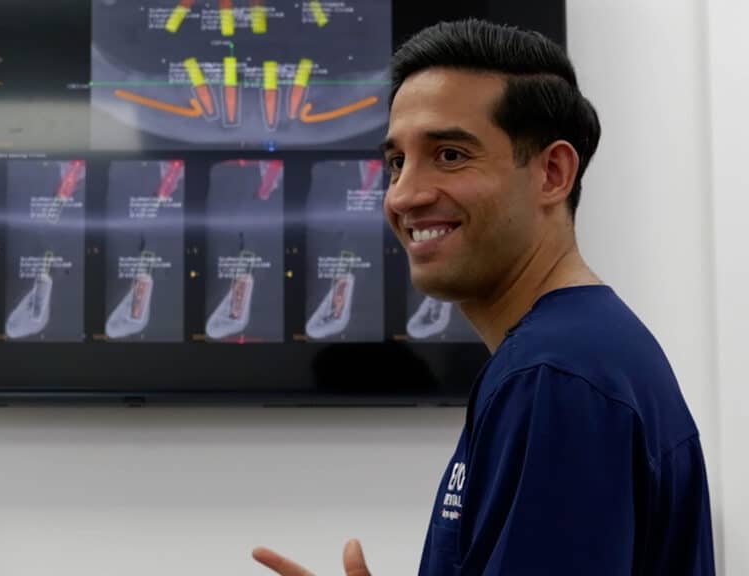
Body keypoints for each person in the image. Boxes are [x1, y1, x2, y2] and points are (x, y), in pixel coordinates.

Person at [252, 18, 715, 576]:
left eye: (449, 155)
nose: (405, 194)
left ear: (552, 172)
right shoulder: (582, 353)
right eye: (397, 162)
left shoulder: (555, 376)